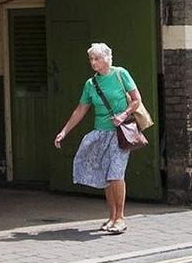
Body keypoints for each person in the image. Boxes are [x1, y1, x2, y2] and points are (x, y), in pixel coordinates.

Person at [52, 42, 146, 235]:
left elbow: (137, 99)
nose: (93, 63)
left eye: (97, 58)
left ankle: (120, 218)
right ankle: (111, 217)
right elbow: (81, 110)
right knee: (106, 176)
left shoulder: (121, 74)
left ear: (107, 58)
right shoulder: (91, 83)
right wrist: (64, 131)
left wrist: (123, 114)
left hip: (120, 133)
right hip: (100, 132)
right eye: (91, 59)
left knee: (115, 174)